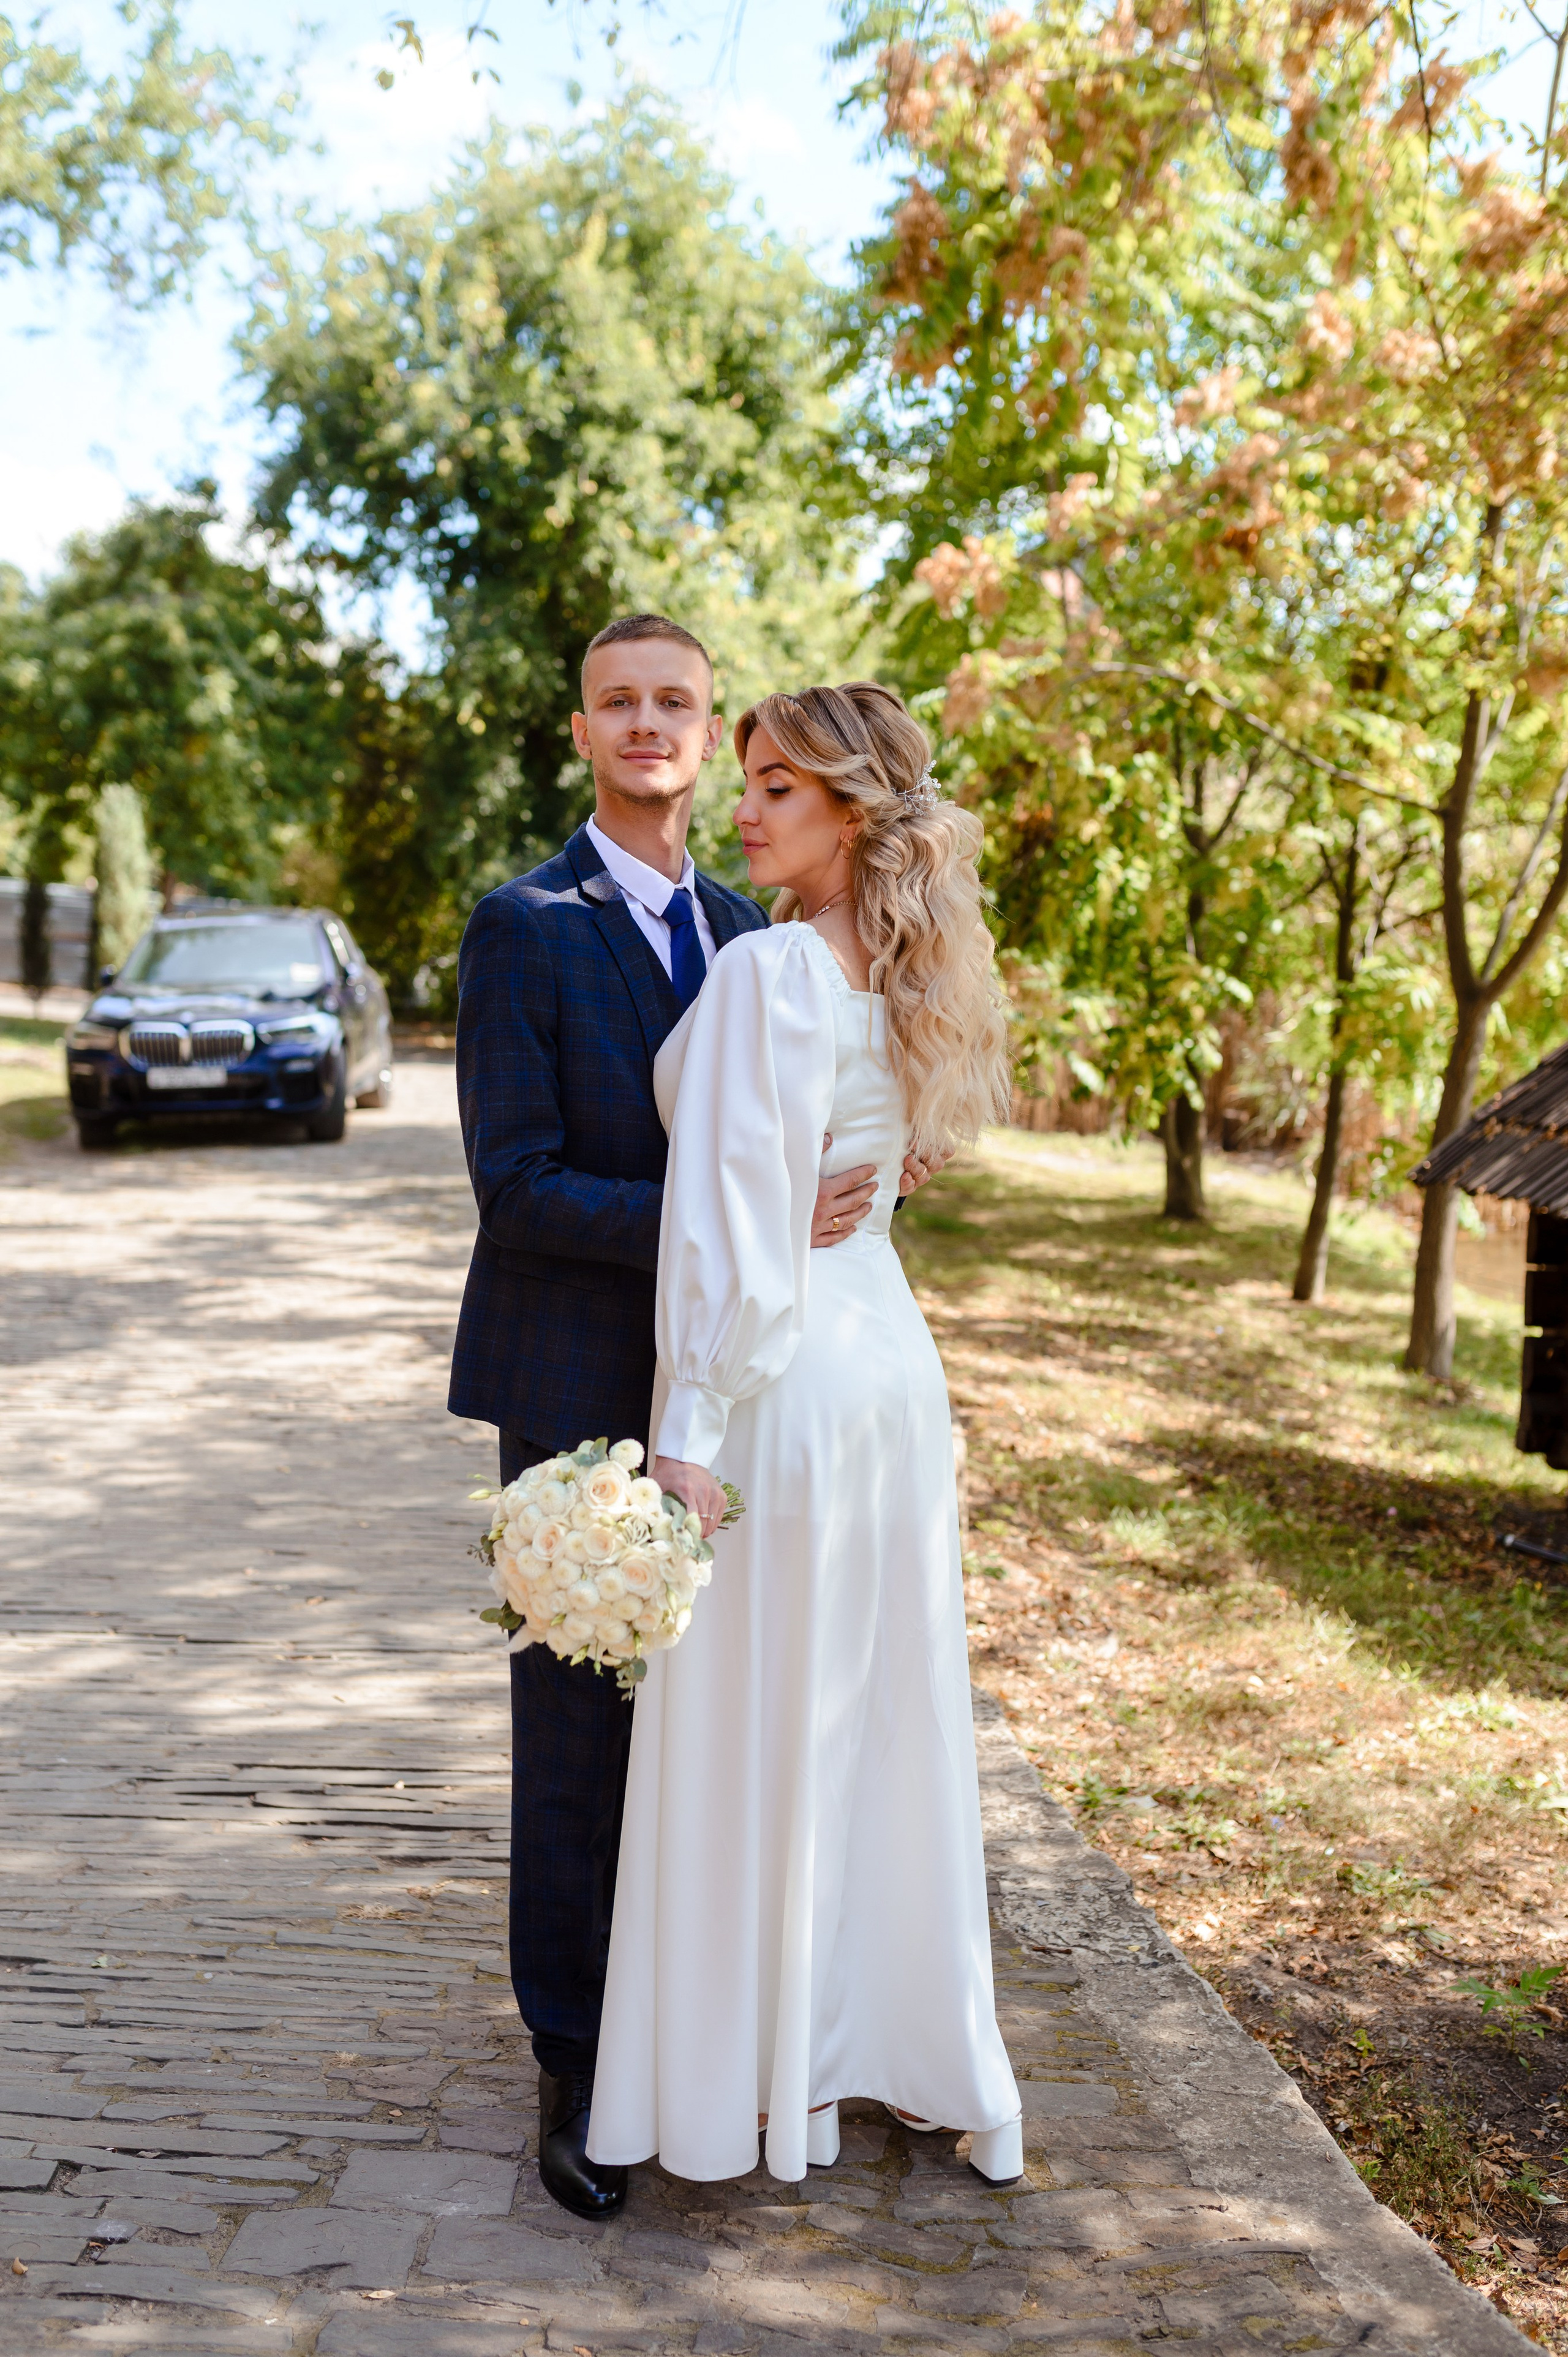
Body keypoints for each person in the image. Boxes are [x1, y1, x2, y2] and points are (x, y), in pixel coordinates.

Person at [449, 619, 941, 2222]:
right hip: (577, 1397)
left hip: (741, 1402)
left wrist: (853, 1188)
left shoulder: (757, 924)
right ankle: (579, 2072)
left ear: (711, 726)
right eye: (620, 704)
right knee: (577, 1751)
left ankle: (708, 2033)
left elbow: (817, 1137)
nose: (650, 726)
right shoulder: (521, 926)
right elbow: (518, 1187)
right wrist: (737, 1217)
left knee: (715, 1747)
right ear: (582, 731)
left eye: (677, 703)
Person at [587, 681, 1023, 2187]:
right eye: (749, 782)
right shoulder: (912, 977)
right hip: (891, 1376)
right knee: (876, 1718)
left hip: (783, 1387)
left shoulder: (773, 971)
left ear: (849, 813)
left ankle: (751, 2077)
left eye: (778, 787)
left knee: (754, 1727)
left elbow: (729, 1242)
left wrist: (687, 1429)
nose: (747, 809)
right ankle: (887, 2048)